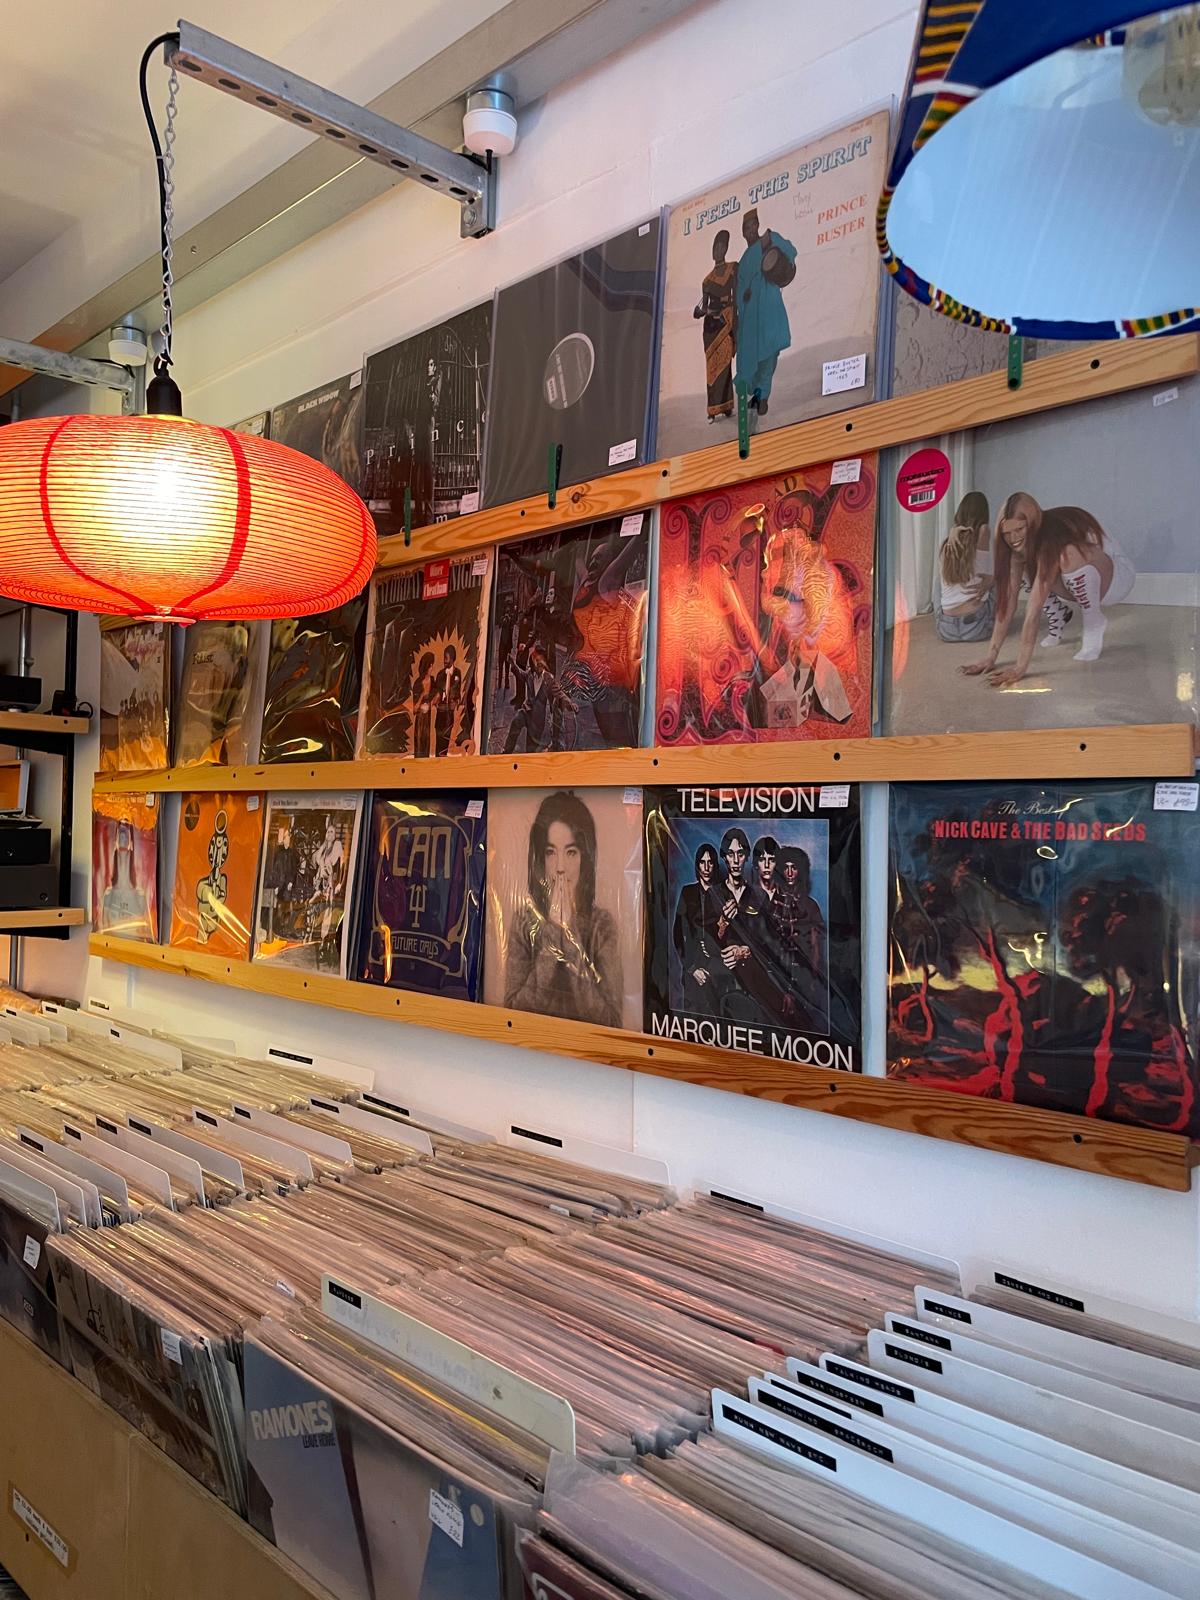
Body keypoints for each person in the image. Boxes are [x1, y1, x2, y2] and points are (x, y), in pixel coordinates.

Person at [963, 496, 1136, 686]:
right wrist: (991, 656)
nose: (1013, 539)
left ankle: (1093, 622)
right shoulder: (1017, 550)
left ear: (1032, 524)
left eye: (1019, 529)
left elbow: (1033, 610)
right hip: (1083, 581)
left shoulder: (1051, 537)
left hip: (1117, 578)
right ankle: (1058, 613)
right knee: (1028, 563)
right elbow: (1008, 602)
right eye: (1007, 533)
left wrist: (1020, 667)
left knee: (1068, 554)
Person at [503, 791, 622, 1025]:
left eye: (571, 852)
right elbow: (513, 1012)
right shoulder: (524, 921)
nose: (560, 867)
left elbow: (611, 1021)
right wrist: (552, 932)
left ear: (584, 858)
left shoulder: (602, 926)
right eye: (550, 852)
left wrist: (569, 936)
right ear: (540, 859)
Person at [734, 208, 796, 418]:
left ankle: (763, 398)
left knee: (768, 356)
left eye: (753, 226)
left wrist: (778, 254)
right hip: (751, 319)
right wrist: (744, 297)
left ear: (758, 225)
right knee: (752, 360)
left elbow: (790, 250)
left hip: (769, 312)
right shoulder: (744, 260)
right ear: (743, 232)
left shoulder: (769, 240)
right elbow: (740, 289)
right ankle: (756, 395)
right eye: (746, 228)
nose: (750, 230)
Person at [672, 841, 728, 1011]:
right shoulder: (687, 892)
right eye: (702, 862)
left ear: (715, 865)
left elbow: (728, 937)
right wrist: (691, 968)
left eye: (710, 862)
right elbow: (677, 934)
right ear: (697, 865)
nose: (706, 867)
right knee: (693, 1017)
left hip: (718, 970)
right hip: (692, 968)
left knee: (719, 1016)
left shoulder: (724, 894)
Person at [935, 491, 994, 644]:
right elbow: (984, 528)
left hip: (946, 630)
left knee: (938, 583)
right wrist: (991, 580)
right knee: (997, 580)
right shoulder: (984, 532)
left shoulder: (946, 546)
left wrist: (953, 529)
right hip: (976, 628)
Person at [693, 228, 737, 421]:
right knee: (712, 370)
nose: (718, 251)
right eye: (715, 248)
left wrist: (733, 319)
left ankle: (726, 407)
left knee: (725, 366)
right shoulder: (707, 281)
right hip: (711, 327)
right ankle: (712, 410)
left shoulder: (733, 269)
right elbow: (704, 306)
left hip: (726, 322)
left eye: (721, 247)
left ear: (726, 248)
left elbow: (737, 297)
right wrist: (702, 312)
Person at [503, 647, 569, 752]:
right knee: (515, 722)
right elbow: (520, 674)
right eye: (537, 660)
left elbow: (559, 692)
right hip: (526, 712)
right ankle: (507, 751)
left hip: (537, 719)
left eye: (542, 660)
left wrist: (569, 702)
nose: (539, 663)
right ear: (532, 662)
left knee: (531, 746)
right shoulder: (530, 674)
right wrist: (513, 664)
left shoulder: (548, 678)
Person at [434, 644, 463, 757]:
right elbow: (435, 693)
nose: (444, 661)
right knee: (439, 741)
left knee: (446, 743)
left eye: (446, 658)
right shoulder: (440, 675)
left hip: (449, 715)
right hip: (440, 713)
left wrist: (456, 702)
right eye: (444, 658)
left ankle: (443, 759)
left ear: (452, 658)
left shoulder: (457, 673)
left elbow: (458, 693)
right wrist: (437, 704)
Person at [411, 651, 437, 758]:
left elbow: (437, 694)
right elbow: (414, 709)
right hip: (420, 719)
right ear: (426, 667)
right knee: (419, 742)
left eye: (432, 665)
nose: (432, 668)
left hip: (428, 718)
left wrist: (432, 702)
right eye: (430, 666)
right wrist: (422, 695)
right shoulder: (418, 683)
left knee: (426, 743)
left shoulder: (433, 680)